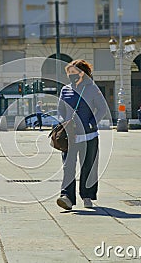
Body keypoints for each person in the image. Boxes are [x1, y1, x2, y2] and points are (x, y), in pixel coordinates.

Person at [56, 59, 107, 210]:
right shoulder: (65, 90)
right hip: (70, 137)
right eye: (69, 73)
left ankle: (87, 196)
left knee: (88, 167)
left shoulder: (92, 89)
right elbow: (60, 110)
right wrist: (64, 123)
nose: (71, 75)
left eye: (74, 72)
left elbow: (102, 109)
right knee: (68, 167)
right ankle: (67, 197)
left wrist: (92, 123)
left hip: (89, 136)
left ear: (82, 73)